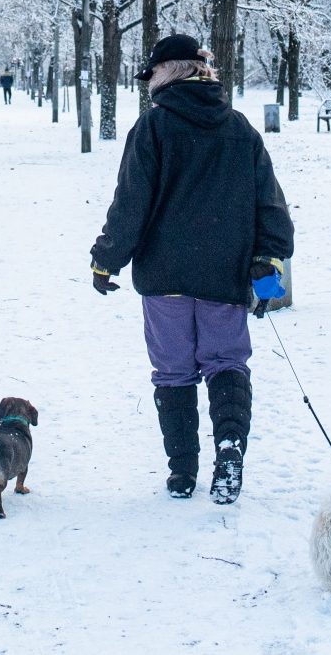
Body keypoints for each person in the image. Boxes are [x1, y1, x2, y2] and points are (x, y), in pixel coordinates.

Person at [91, 34, 292, 504]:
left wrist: (107, 257)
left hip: (165, 277)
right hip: (225, 275)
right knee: (226, 363)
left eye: (153, 75)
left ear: (169, 73)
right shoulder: (241, 130)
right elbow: (271, 206)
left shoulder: (153, 128)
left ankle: (182, 471)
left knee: (173, 371)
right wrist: (268, 259)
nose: (149, 84)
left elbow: (131, 204)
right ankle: (229, 446)